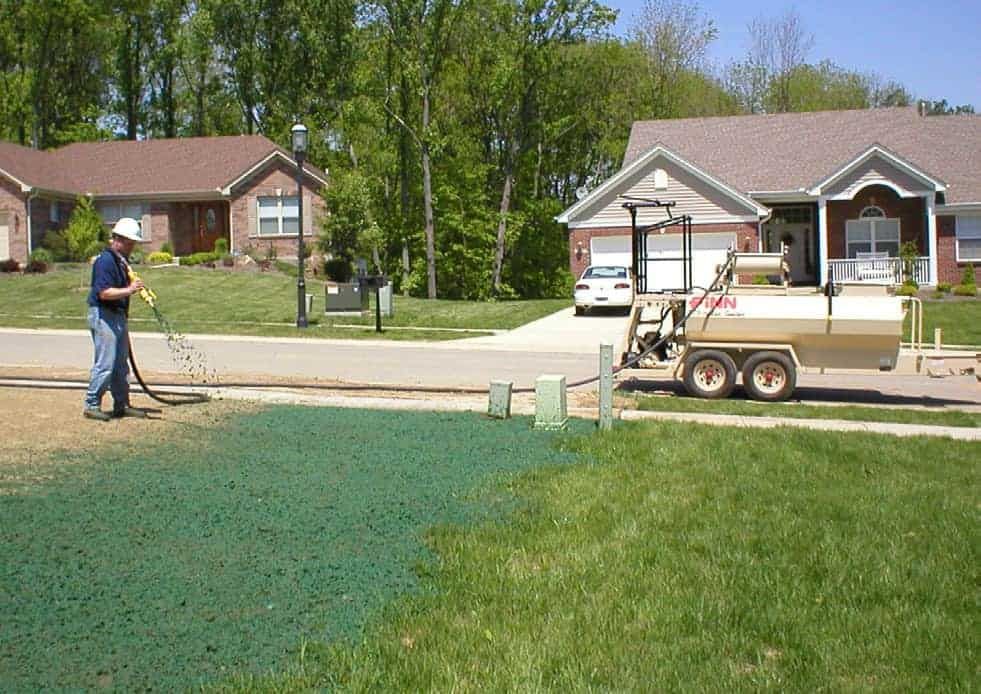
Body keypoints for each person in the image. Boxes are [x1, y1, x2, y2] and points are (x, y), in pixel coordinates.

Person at [83, 217, 148, 421]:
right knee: (106, 362)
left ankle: (122, 404)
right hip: (103, 315)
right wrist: (129, 290)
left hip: (117, 315)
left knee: (121, 363)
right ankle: (92, 404)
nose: (132, 247)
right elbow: (103, 292)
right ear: (120, 240)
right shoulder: (105, 261)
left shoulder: (121, 261)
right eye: (131, 243)